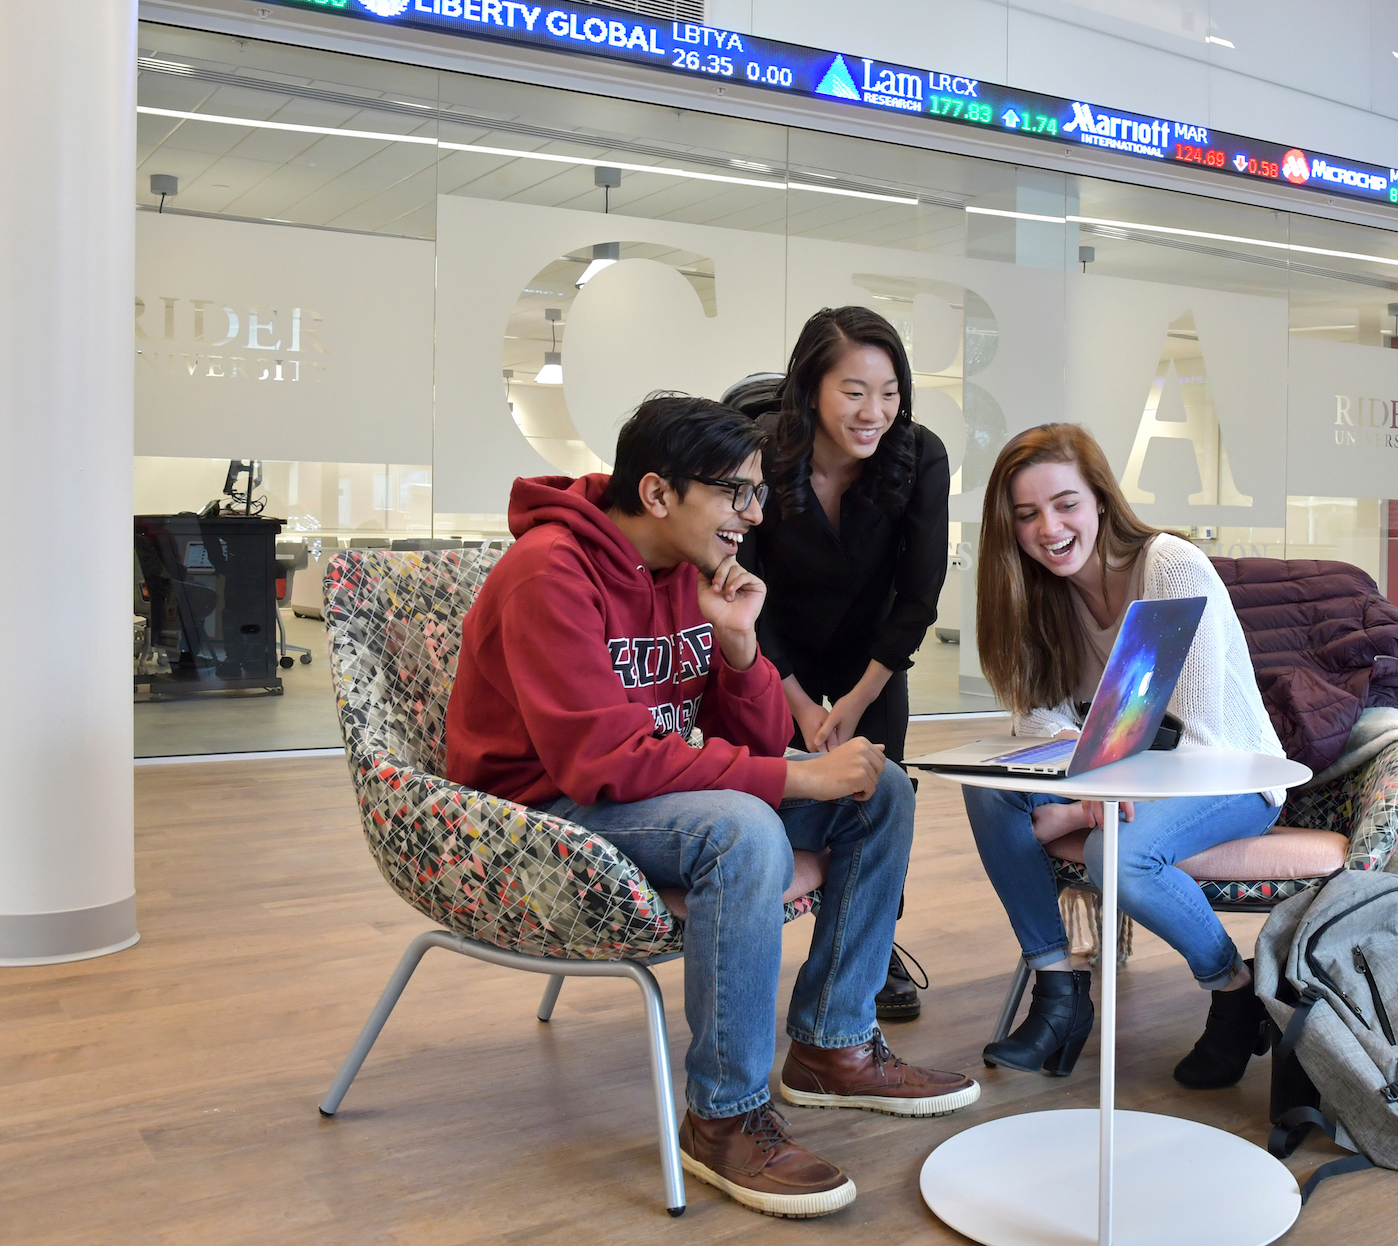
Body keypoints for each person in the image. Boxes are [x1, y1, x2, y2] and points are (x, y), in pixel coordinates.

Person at [444, 392, 978, 1220]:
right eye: (737, 492)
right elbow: (599, 759)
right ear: (659, 493)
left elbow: (755, 739)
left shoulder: (692, 574)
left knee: (882, 790)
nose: (753, 514)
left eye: (758, 492)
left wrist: (736, 647)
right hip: (541, 813)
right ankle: (723, 1115)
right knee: (744, 830)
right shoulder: (550, 571)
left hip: (637, 794)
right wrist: (799, 780)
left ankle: (832, 1045)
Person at [964, 423, 1288, 1089]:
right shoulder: (1041, 591)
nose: (1048, 528)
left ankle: (1234, 992)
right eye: (1026, 515)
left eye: (1065, 504)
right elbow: (1042, 722)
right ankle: (1058, 991)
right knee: (987, 786)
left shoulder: (1167, 566)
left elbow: (1201, 738)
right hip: (1124, 768)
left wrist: (1082, 808)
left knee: (1116, 853)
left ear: (1102, 501)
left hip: (1229, 773)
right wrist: (1083, 793)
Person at [738, 307, 951, 1022]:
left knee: (883, 789)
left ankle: (871, 944)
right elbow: (746, 593)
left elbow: (919, 594)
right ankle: (753, 922)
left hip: (873, 652)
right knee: (777, 788)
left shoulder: (918, 455)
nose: (875, 412)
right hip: (776, 647)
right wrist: (798, 702)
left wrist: (857, 699)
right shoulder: (757, 453)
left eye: (889, 392)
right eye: (853, 391)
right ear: (810, 388)